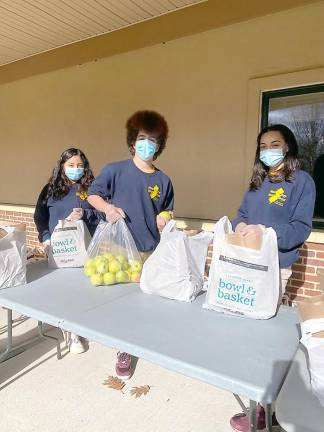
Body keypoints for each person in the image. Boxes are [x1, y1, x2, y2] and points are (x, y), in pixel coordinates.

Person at [229, 124, 316, 431]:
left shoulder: (302, 182)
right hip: (247, 264)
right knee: (248, 332)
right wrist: (239, 226)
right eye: (263, 145)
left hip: (276, 266)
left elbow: (300, 228)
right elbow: (241, 213)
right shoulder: (257, 182)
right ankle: (260, 400)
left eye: (274, 144)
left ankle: (268, 410)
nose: (268, 150)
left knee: (263, 336)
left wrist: (266, 233)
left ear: (288, 147)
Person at [87, 110, 174, 379]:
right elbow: (93, 195)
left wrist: (164, 217)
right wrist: (108, 208)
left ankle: (142, 339)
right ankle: (123, 349)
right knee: (120, 303)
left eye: (153, 140)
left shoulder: (163, 180)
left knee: (145, 300)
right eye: (142, 138)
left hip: (149, 250)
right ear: (133, 141)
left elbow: (167, 209)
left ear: (159, 146)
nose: (147, 144)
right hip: (119, 250)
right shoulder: (116, 170)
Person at [34, 148, 103, 354]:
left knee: (84, 289)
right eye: (71, 165)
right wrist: (45, 238)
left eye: (79, 165)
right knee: (63, 292)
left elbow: (103, 215)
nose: (76, 169)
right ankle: (72, 333)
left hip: (87, 249)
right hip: (60, 250)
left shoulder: (92, 188)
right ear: (62, 166)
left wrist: (86, 214)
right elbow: (40, 217)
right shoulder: (50, 190)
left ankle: (83, 325)